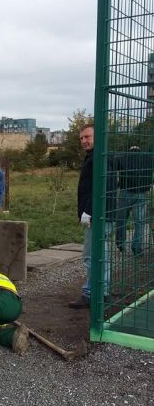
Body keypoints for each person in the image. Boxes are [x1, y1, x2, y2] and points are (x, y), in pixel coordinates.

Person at [69, 124, 117, 309]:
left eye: (87, 137)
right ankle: (102, 292)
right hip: (104, 212)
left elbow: (101, 187)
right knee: (101, 254)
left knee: (92, 255)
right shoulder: (99, 155)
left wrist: (89, 211)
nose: (84, 141)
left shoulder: (98, 157)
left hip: (98, 214)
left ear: (98, 136)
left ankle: (91, 293)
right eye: (81, 138)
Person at [115, 146, 153, 257]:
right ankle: (137, 248)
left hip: (125, 192)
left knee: (121, 219)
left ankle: (121, 244)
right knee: (139, 222)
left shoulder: (122, 158)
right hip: (141, 193)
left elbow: (113, 169)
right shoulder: (148, 159)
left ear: (129, 150)